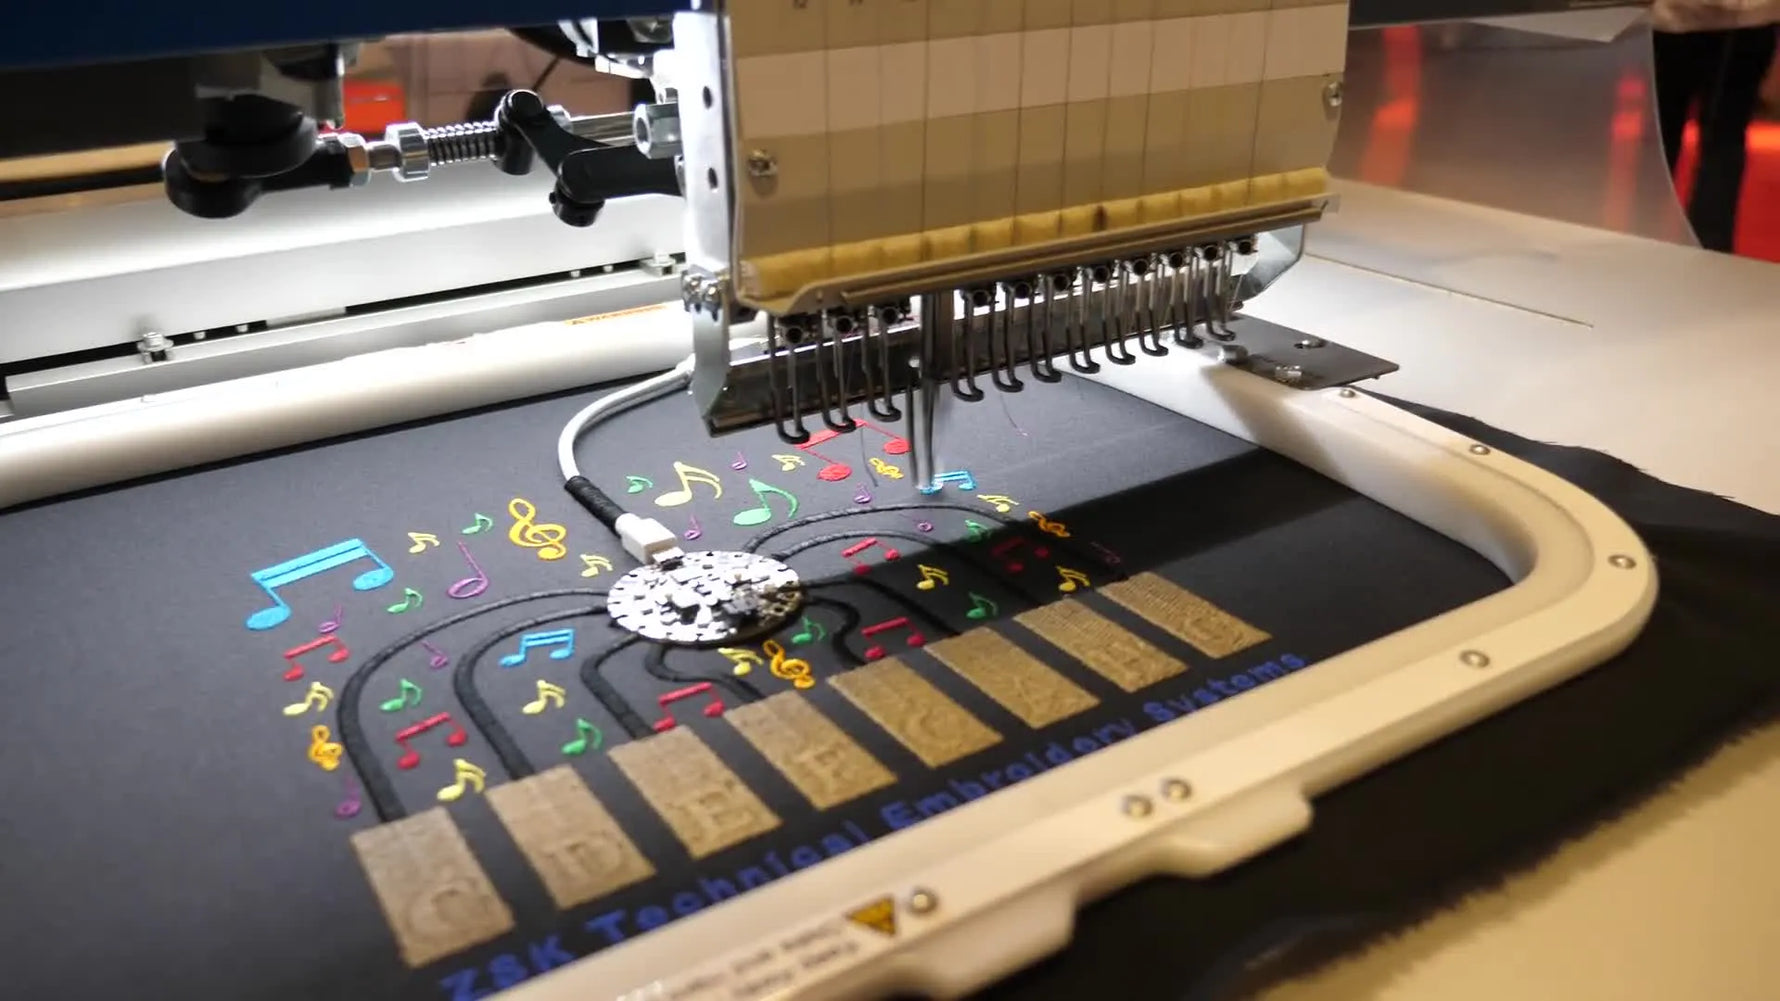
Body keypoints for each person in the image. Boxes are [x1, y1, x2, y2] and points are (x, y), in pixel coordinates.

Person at [1651, 2, 1779, 252]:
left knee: (1663, 136)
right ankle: (1709, 249)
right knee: (1722, 138)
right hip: (1743, 18)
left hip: (1685, 19)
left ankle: (1645, 232)